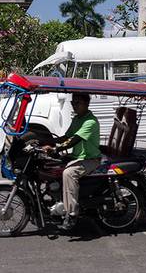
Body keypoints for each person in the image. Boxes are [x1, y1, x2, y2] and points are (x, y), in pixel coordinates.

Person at [43, 93, 101, 230]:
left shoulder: (90, 122)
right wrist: (45, 141)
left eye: (77, 103)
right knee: (51, 165)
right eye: (73, 103)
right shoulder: (77, 119)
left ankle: (72, 214)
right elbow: (65, 137)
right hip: (78, 157)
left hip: (90, 160)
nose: (74, 106)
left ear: (86, 104)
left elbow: (74, 140)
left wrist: (56, 149)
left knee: (68, 173)